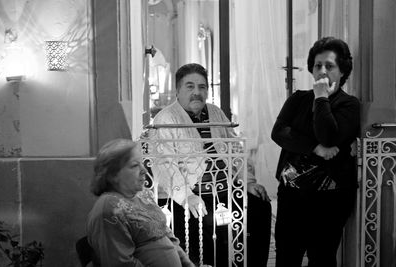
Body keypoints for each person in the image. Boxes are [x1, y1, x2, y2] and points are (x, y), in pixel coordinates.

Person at [150, 63, 272, 267]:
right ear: (177, 90)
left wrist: (248, 183)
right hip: (192, 195)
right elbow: (164, 164)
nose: (197, 92)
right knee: (213, 226)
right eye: (190, 86)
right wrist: (186, 196)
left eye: (202, 87)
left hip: (227, 190)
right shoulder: (165, 119)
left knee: (260, 206)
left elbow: (236, 152)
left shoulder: (215, 113)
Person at [271, 37, 360, 267]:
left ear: (342, 71)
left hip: (330, 200)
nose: (322, 71)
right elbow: (279, 132)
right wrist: (316, 147)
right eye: (318, 65)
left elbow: (329, 135)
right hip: (292, 196)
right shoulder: (298, 99)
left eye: (329, 66)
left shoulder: (349, 105)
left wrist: (321, 97)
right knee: (286, 257)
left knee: (322, 258)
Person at [86, 139, 194, 267]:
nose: (144, 170)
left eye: (142, 163)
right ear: (112, 175)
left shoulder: (143, 195)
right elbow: (121, 263)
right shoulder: (109, 208)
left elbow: (169, 238)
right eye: (134, 165)